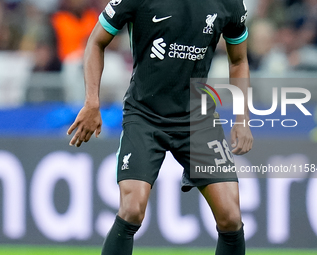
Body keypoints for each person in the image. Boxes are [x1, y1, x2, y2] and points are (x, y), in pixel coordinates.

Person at [67, 0, 253, 254]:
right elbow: (96, 42)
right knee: (132, 209)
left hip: (197, 120)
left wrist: (242, 118)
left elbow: (239, 60)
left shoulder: (229, 4)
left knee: (231, 217)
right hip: (145, 115)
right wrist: (91, 102)